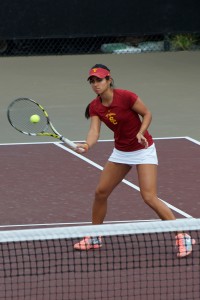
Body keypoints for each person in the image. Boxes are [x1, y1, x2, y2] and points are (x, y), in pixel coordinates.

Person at [74, 64, 195, 257]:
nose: (96, 84)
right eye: (93, 81)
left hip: (143, 149)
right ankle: (95, 236)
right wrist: (87, 145)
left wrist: (140, 132)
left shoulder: (126, 96)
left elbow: (147, 113)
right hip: (121, 152)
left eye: (100, 80)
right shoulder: (95, 106)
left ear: (109, 80)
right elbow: (94, 131)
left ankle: (182, 236)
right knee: (100, 192)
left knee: (149, 196)